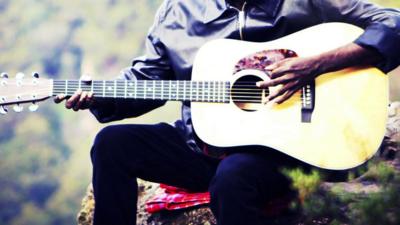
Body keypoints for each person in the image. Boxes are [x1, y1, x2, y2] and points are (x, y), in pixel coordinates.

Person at [55, 0, 400, 224]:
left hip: (285, 150)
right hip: (201, 145)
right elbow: (146, 82)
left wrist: (312, 66)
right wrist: (99, 97)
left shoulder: (308, 3)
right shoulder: (178, 13)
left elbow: (394, 24)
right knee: (113, 144)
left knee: (233, 179)